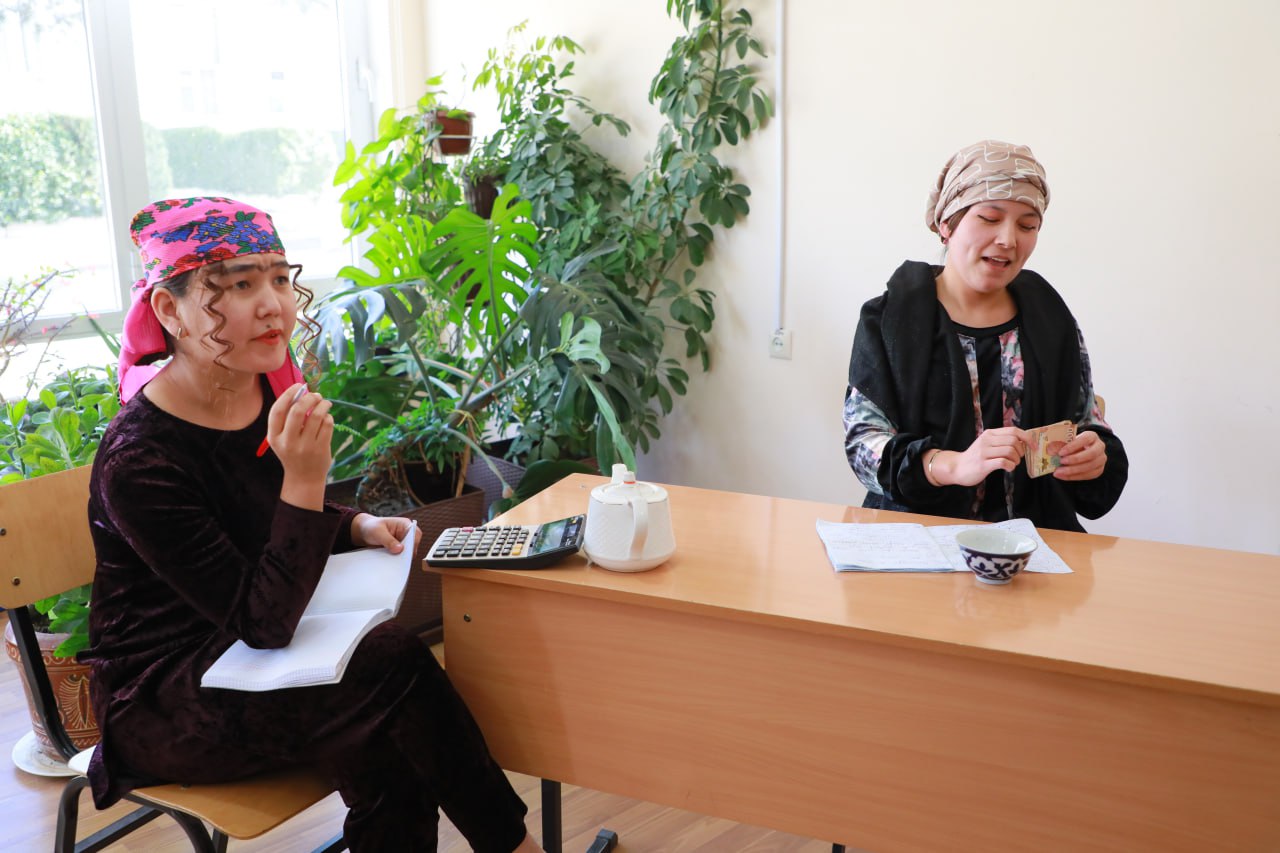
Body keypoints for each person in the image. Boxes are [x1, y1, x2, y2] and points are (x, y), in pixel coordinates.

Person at [82, 197, 542, 852]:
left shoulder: (257, 389)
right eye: (240, 285)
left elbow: (253, 515)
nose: (273, 304)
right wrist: (304, 477)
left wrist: (353, 524)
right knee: (388, 671)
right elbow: (264, 623)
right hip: (166, 693)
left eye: (278, 278)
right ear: (169, 311)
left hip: (254, 648)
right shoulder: (140, 459)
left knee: (385, 724)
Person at [843, 141, 1127, 531]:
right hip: (921, 541)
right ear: (947, 225)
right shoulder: (890, 319)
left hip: (1033, 546)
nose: (1008, 239)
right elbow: (864, 444)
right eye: (990, 218)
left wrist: (1095, 454)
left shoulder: (1050, 316)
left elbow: (1086, 419)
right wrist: (954, 465)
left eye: (1027, 225)